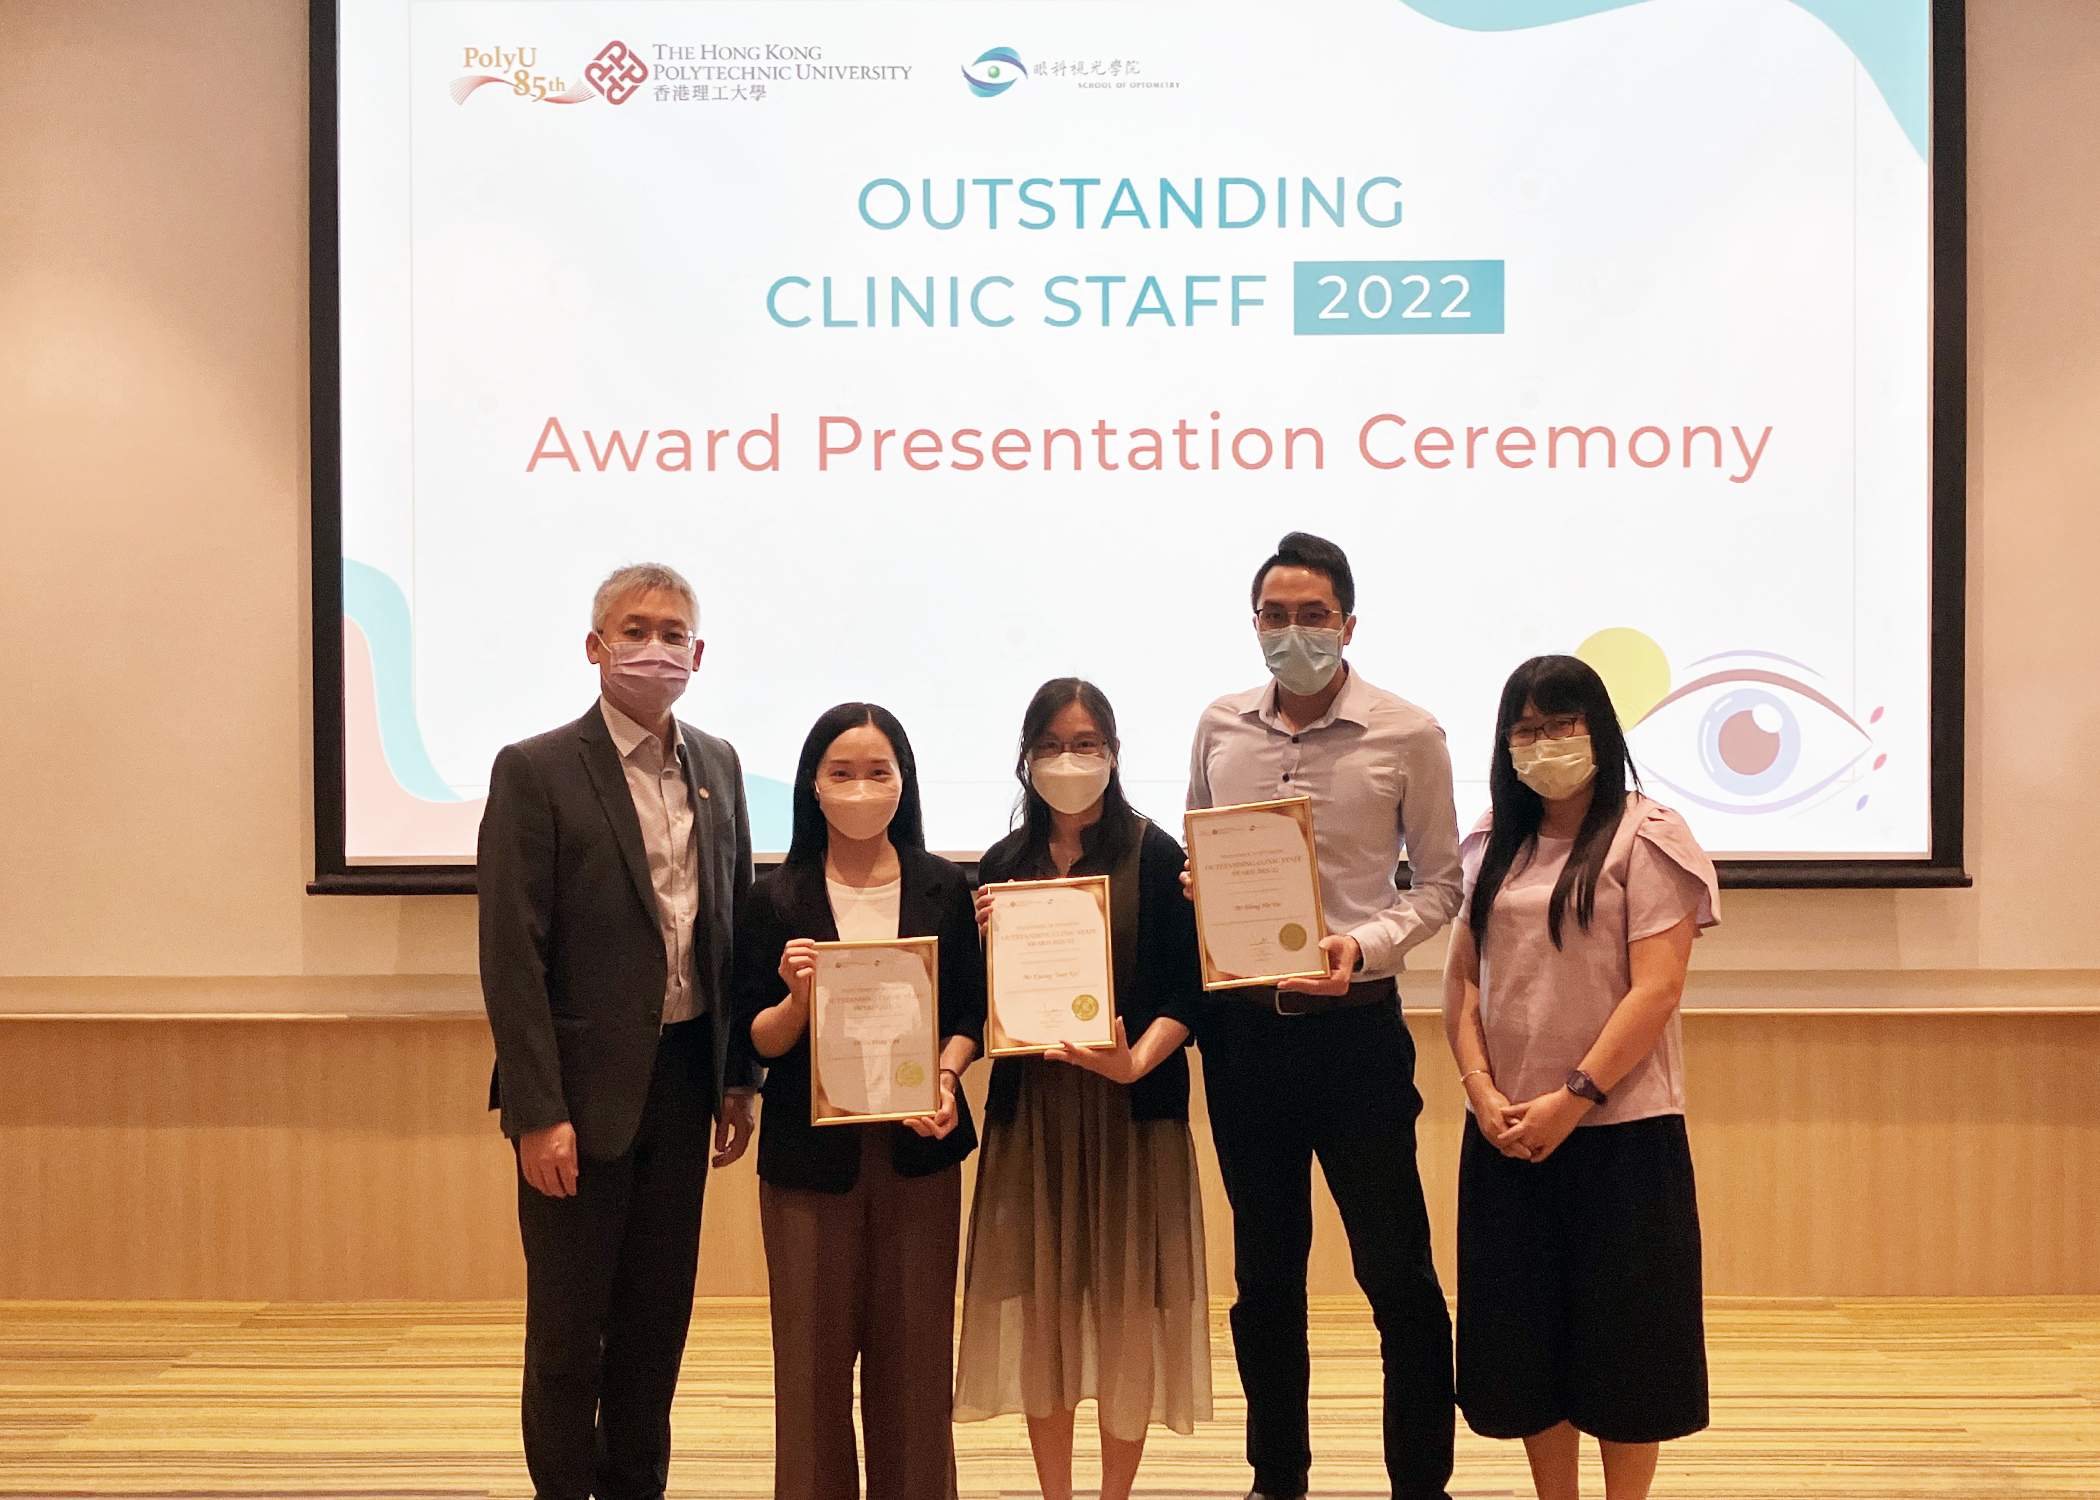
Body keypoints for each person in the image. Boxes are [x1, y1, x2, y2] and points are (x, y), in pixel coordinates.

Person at [1186, 532, 1463, 1500]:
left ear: (1348, 624)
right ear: (1254, 622)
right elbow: (1198, 850)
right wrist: (1204, 892)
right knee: (1265, 1278)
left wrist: (1366, 946)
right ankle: (1277, 1479)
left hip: (1356, 1035)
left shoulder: (1408, 733)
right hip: (1245, 1038)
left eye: (1313, 616)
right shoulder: (1220, 725)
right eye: (1276, 615)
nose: (1293, 632)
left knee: (1398, 1274)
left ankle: (1421, 1484)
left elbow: (1442, 885)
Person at [477, 561, 757, 1500]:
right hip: (576, 1097)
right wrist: (537, 1112)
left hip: (683, 1081)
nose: (655, 648)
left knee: (654, 1324)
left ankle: (638, 1486)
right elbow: (511, 955)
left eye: (673, 633)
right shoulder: (536, 769)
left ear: (698, 654)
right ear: (595, 647)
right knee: (568, 1332)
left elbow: (731, 928)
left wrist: (737, 1076)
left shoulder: (717, 765)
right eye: (634, 631)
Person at [1442, 654, 1717, 1500]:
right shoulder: (1492, 840)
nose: (1545, 742)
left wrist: (1573, 1098)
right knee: (1527, 1352)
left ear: (1600, 728)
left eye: (1563, 723)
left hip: (1621, 1136)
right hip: (1509, 1134)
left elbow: (1657, 988)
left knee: (1629, 1354)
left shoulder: (1649, 834)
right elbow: (1462, 984)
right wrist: (1481, 1091)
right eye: (1526, 728)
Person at [954, 679, 1213, 1500]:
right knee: (1045, 1315)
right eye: (1052, 746)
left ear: (1114, 753)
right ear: (1026, 758)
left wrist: (1136, 1061)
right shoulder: (1001, 867)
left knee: (1127, 1312)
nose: (1069, 761)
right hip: (1033, 1115)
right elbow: (980, 1003)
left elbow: (1189, 991)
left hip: (1131, 1110)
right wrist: (987, 946)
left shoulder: (1156, 854)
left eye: (1086, 744)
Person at [732, 703, 984, 1500]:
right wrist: (797, 1003)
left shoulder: (944, 887)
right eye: (842, 772)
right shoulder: (773, 898)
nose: (861, 788)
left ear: (903, 783)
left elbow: (970, 1015)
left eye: (879, 772)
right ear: (813, 785)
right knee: (810, 1371)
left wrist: (946, 1077)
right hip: (809, 1162)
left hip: (919, 1151)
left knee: (916, 1367)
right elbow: (756, 1039)